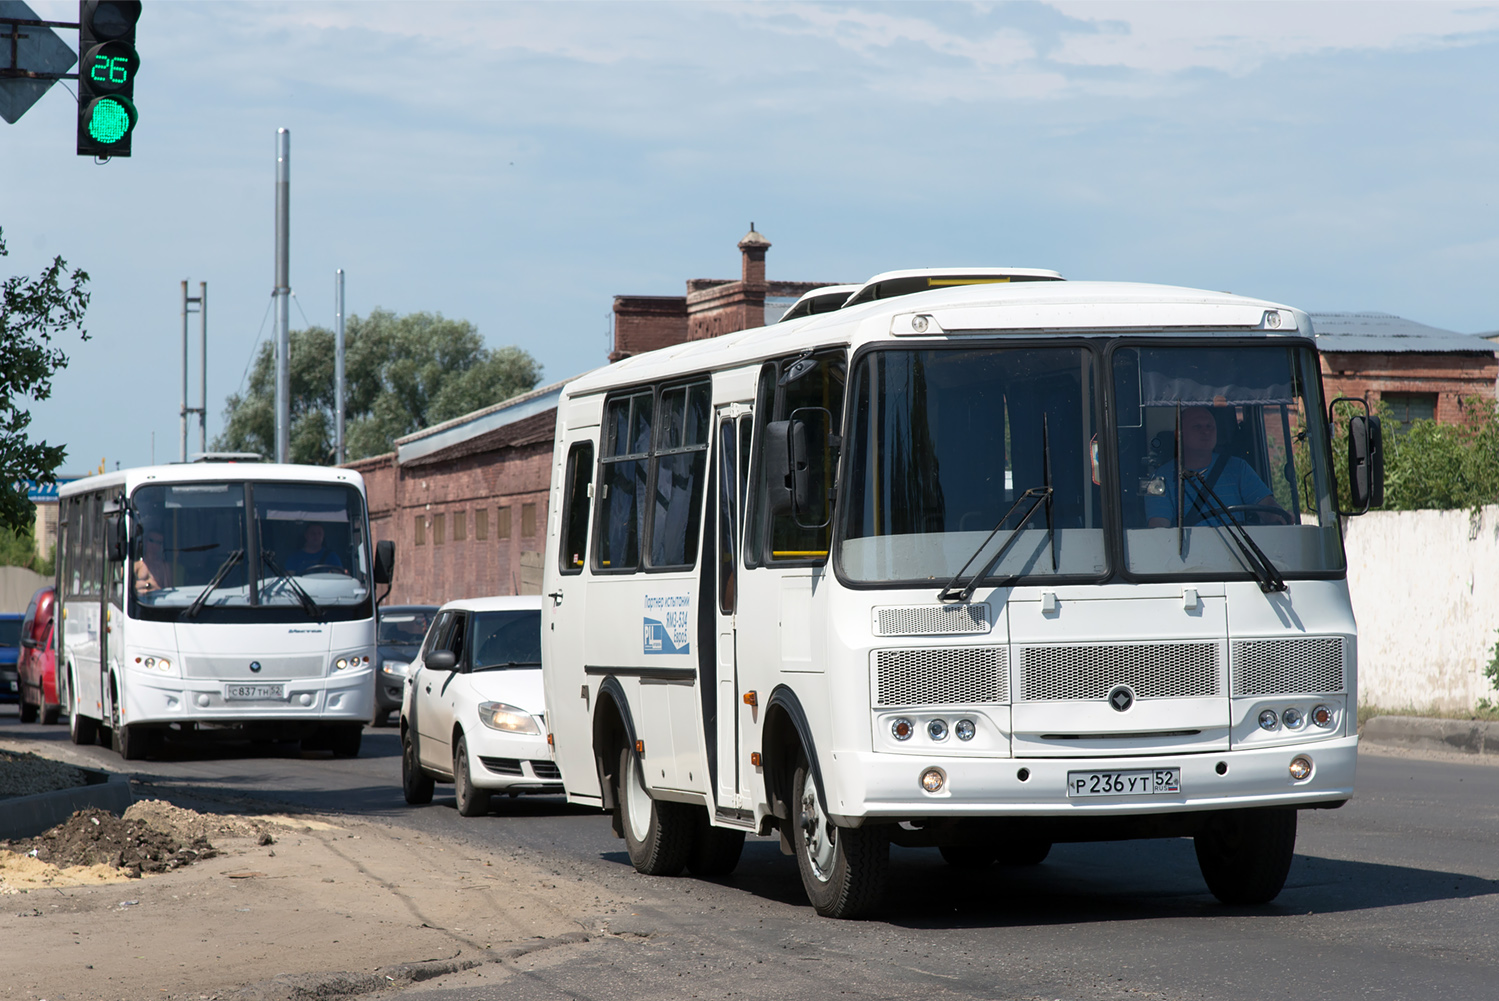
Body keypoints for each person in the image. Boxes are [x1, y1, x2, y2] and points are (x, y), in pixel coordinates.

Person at [1145, 406, 1287, 528]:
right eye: (1197, 427)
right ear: (1178, 434)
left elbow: (1267, 506)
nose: (1206, 432)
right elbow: (1159, 529)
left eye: (1210, 427)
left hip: (1240, 553)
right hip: (1188, 557)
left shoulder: (1238, 468)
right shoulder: (1159, 480)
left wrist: (1280, 517)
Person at [133, 527, 174, 594]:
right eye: (151, 541)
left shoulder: (164, 566)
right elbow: (123, 581)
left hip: (158, 601)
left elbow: (169, 589)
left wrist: (155, 587)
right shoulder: (138, 565)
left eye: (158, 542)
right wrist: (148, 585)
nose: (154, 545)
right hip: (141, 601)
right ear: (146, 541)